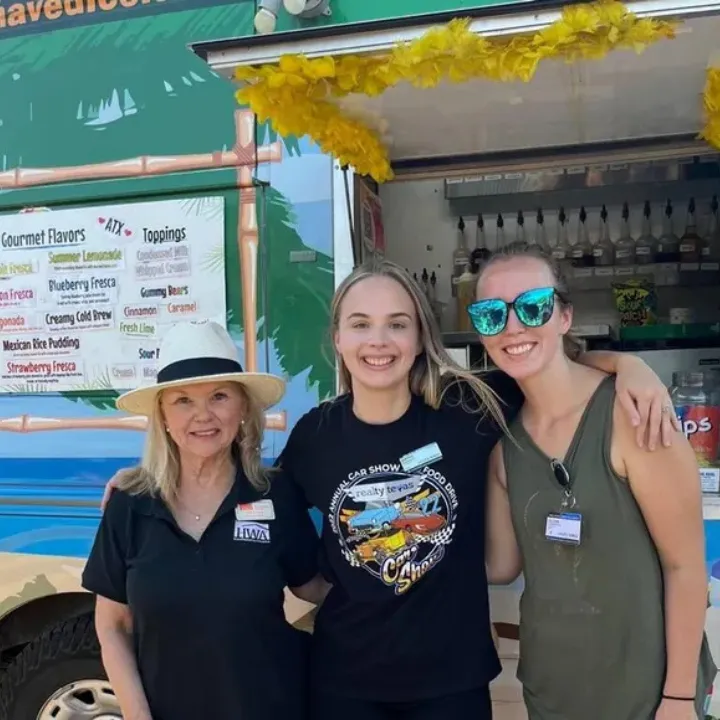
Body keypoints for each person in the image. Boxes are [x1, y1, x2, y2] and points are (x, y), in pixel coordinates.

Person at [102, 261, 676, 720]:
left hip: (452, 681)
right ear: (339, 338)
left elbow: (555, 366)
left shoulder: (469, 407)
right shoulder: (315, 435)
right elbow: (241, 486)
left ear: (419, 336)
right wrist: (143, 485)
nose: (380, 341)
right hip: (344, 683)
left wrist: (630, 367)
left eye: (397, 323)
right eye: (361, 323)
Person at [475, 245, 717, 720]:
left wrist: (678, 697)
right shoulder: (503, 448)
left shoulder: (634, 414)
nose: (512, 326)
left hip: (647, 697)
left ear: (564, 317)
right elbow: (499, 566)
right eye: (490, 315)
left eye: (533, 306)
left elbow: (686, 568)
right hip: (552, 694)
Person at [82, 320, 328, 720]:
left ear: (242, 407)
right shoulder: (130, 505)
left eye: (218, 397)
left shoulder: (275, 494)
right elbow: (112, 627)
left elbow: (314, 588)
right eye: (183, 400)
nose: (203, 416)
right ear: (162, 413)